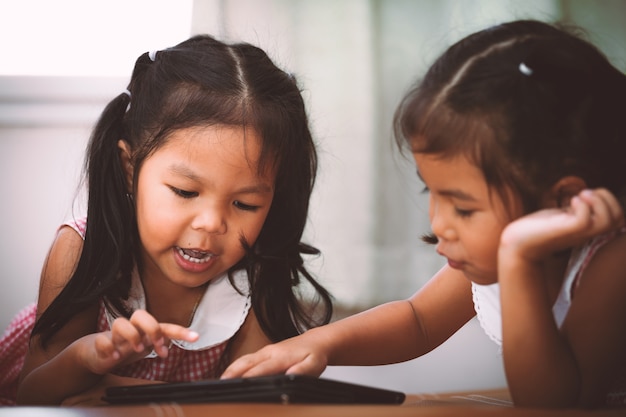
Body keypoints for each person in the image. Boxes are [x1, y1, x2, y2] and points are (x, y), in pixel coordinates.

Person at [222, 20, 626, 408]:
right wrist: (320, 343)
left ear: (565, 201)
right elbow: (418, 321)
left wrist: (518, 260)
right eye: (431, 191)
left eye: (464, 208)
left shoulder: (610, 260)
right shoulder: (487, 252)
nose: (439, 223)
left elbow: (557, 405)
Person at [0, 34, 332, 406]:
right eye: (185, 192)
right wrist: (87, 358)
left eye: (244, 204)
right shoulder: (82, 248)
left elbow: (247, 403)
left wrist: (113, 391)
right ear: (130, 168)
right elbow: (33, 391)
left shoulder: (257, 274)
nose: (211, 223)